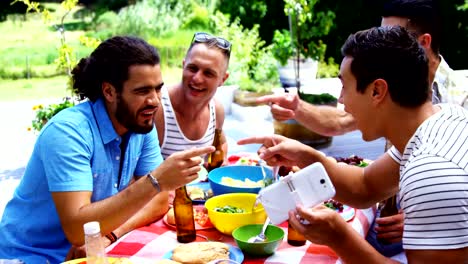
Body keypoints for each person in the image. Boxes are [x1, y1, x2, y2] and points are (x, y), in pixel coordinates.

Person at [239, 26, 468, 263]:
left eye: (344, 86)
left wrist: (339, 238)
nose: (341, 100)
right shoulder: (443, 118)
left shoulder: (431, 172)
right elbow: (365, 187)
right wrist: (304, 156)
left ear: (377, 91)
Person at [0, 36, 214, 263]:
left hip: (93, 253)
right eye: (142, 91)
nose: (154, 101)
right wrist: (155, 181)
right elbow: (76, 229)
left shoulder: (141, 122)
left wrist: (109, 235)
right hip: (29, 256)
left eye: (158, 89)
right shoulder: (68, 132)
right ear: (109, 92)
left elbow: (159, 202)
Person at [259, 0, 467, 137]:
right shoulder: (387, 84)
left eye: (392, 36)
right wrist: (297, 108)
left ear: (424, 42)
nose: (380, 44)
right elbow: (342, 121)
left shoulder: (462, 99)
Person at [155, 32, 230, 165]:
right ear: (183, 66)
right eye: (192, 68)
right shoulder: (158, 108)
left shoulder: (216, 110)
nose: (197, 78)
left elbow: (221, 143)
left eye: (208, 73)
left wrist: (220, 160)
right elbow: (137, 173)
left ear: (222, 79)